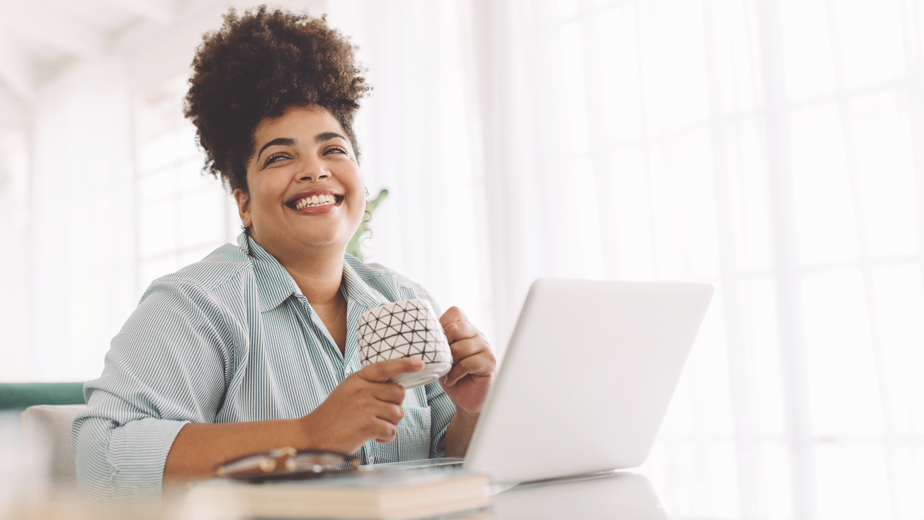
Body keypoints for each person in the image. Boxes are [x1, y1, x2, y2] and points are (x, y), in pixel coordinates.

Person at [71, 6, 496, 502]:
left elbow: (451, 460)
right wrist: (309, 436)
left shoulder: (403, 299)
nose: (315, 170)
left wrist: (473, 411)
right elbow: (101, 459)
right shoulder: (195, 305)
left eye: (333, 150)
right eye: (279, 156)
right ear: (244, 203)